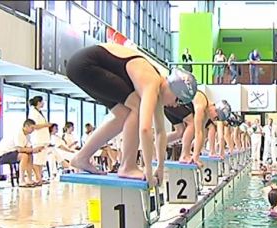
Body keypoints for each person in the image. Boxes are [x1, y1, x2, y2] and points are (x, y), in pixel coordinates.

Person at [65, 43, 197, 185]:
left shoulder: (158, 89)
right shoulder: (151, 82)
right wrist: (147, 169)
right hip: (85, 64)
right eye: (179, 100)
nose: (176, 105)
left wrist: (159, 167)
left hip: (82, 66)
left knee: (124, 114)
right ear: (173, 88)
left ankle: (82, 157)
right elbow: (145, 129)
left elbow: (160, 132)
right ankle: (127, 166)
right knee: (136, 106)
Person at [163, 90, 231, 166]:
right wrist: (195, 156)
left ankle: (157, 143)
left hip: (171, 105)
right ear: (215, 108)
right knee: (191, 123)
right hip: (171, 101)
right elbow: (198, 132)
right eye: (216, 117)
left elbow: (202, 134)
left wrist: (196, 156)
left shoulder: (206, 113)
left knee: (180, 132)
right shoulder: (201, 105)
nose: (215, 120)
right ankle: (184, 156)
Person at [0, 119, 43, 187]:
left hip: (12, 153)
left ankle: (29, 179)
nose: (33, 130)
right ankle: (21, 180)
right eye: (32, 128)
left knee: (30, 155)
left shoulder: (27, 136)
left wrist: (36, 149)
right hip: (1, 155)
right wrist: (33, 149)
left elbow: (29, 148)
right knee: (24, 156)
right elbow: (19, 149)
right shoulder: (18, 133)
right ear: (26, 126)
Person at [27, 96, 52, 185]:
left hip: (43, 138)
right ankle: (38, 178)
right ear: (38, 102)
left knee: (41, 160)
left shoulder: (39, 112)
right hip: (38, 139)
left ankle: (39, 177)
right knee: (37, 160)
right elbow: (34, 126)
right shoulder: (33, 113)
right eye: (42, 102)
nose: (43, 103)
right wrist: (46, 125)